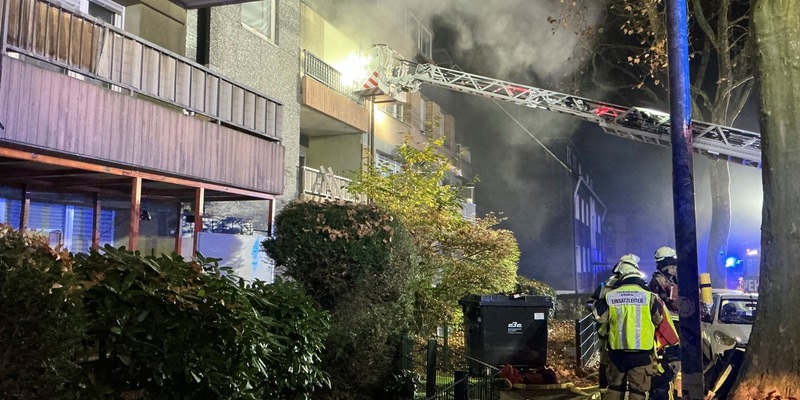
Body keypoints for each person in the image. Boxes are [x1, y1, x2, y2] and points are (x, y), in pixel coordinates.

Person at [596, 255, 668, 400]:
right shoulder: (649, 296)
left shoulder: (611, 295)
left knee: (615, 388)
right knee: (638, 391)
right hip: (642, 353)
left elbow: (599, 317)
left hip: (617, 352)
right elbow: (659, 319)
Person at [588, 254, 644, 389]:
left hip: (609, 333)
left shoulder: (605, 285)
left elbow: (591, 304)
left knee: (608, 364)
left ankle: (606, 391)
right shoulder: (639, 285)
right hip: (632, 336)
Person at [648, 246, 681, 400]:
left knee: (665, 361)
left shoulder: (657, 279)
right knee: (676, 359)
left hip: (666, 324)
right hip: (681, 322)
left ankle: (662, 391)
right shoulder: (679, 276)